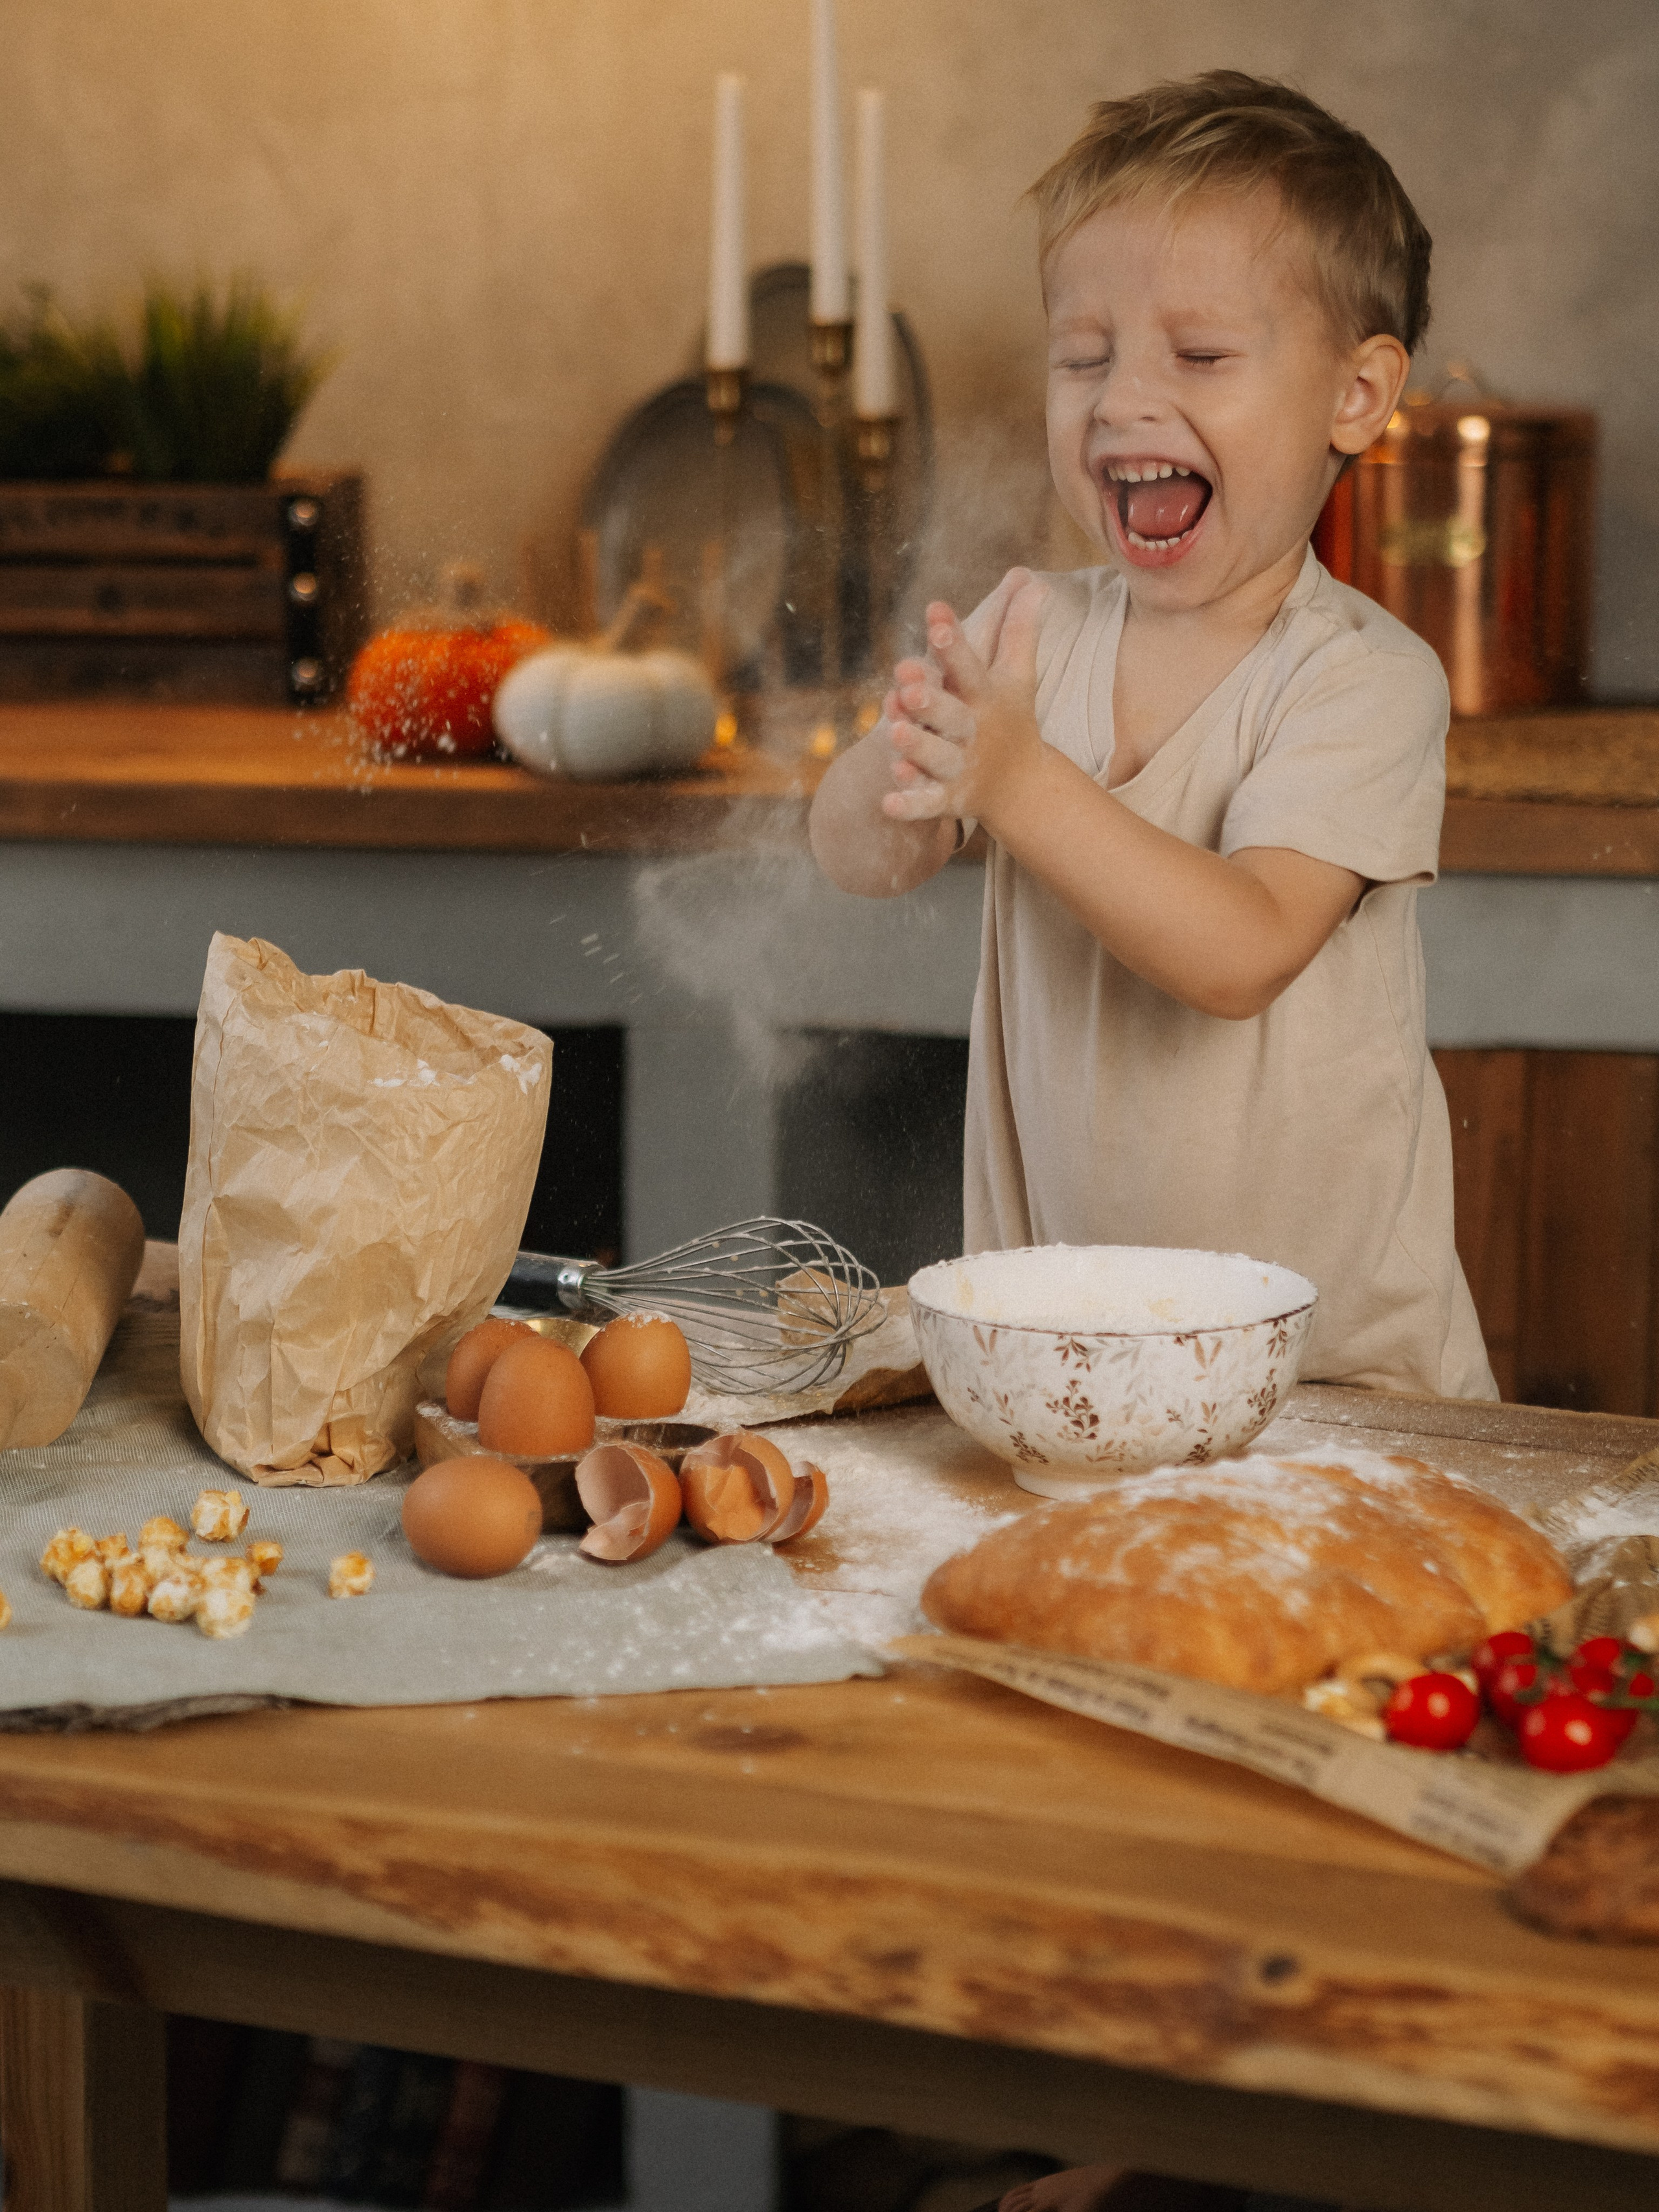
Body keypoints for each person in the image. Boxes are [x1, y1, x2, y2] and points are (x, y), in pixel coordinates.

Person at [810, 69, 1496, 1414]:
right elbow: (861, 860)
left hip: (1332, 1387)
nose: (1120, 399)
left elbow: (1238, 950)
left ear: (1354, 395)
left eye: (1195, 356)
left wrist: (1008, 773)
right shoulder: (1032, 631)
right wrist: (917, 759)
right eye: (1081, 356)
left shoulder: (1359, 682)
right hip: (1065, 1365)